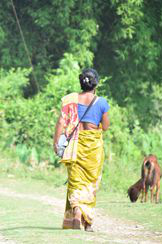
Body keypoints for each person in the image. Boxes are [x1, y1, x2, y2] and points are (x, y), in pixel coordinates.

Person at [53, 68, 110, 232]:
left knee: (75, 182)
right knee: (91, 183)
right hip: (93, 149)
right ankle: (87, 221)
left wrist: (56, 143)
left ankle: (77, 212)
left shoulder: (71, 100)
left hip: (75, 145)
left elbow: (61, 123)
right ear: (96, 84)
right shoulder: (102, 102)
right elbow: (105, 127)